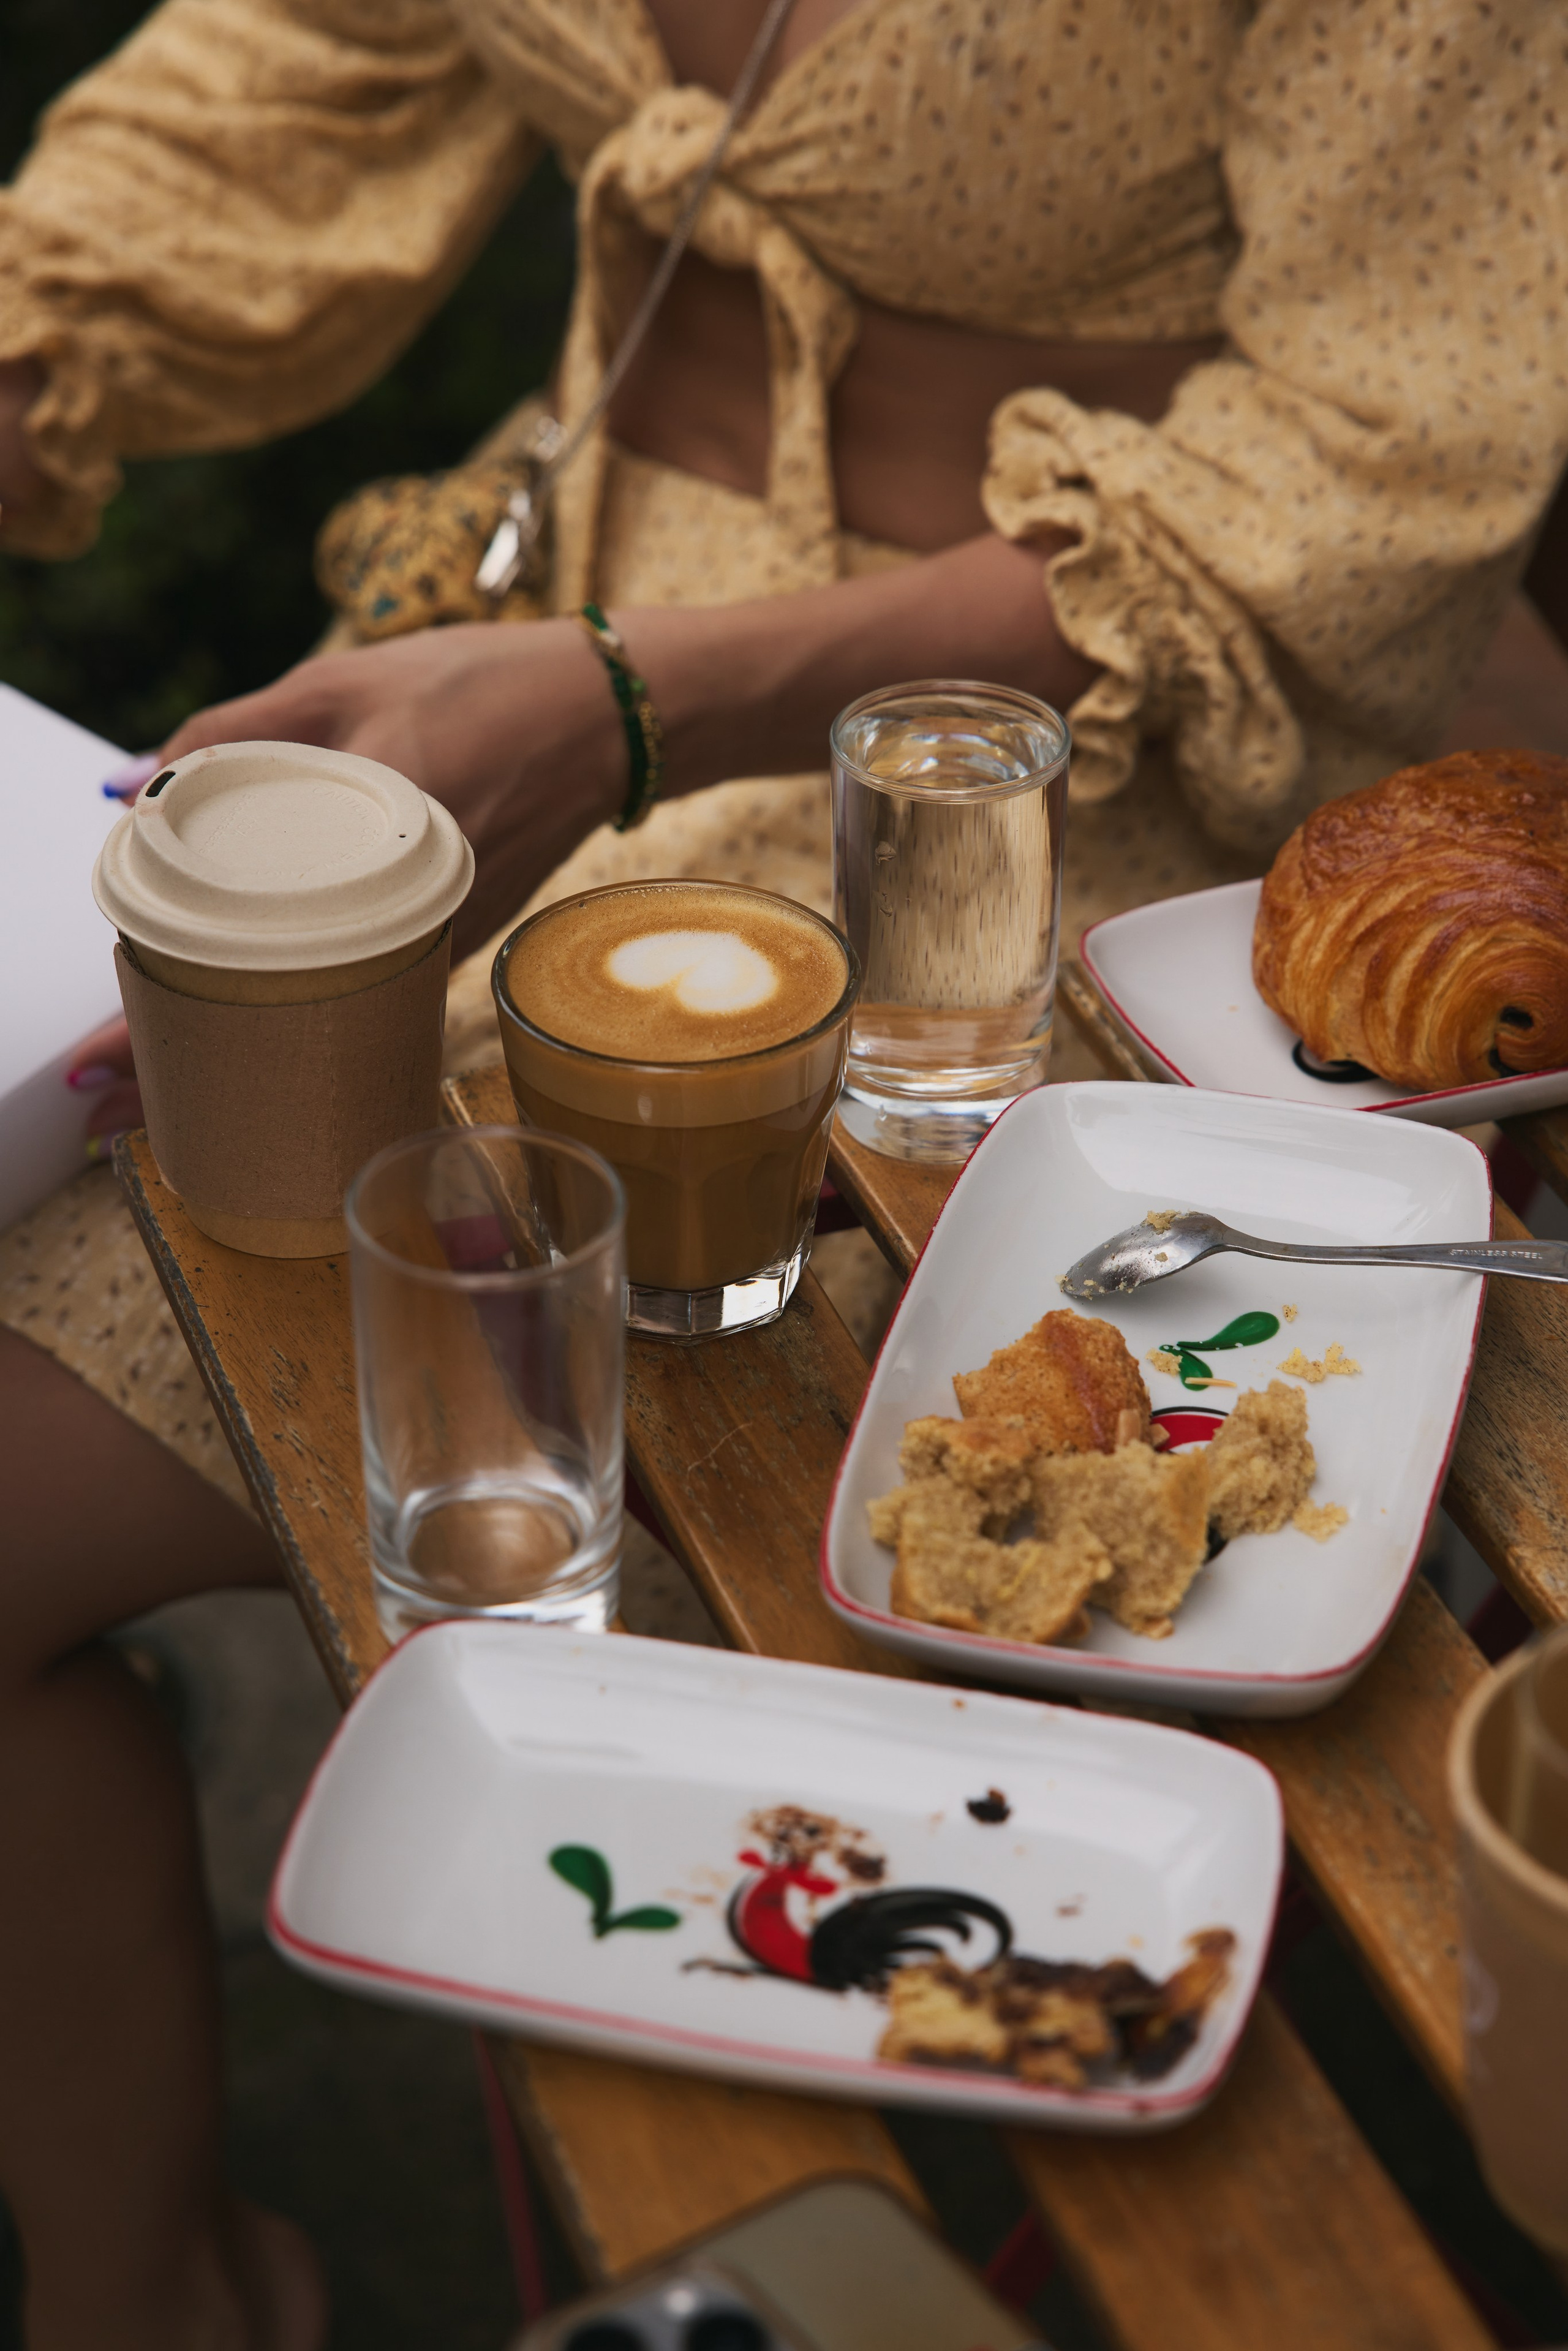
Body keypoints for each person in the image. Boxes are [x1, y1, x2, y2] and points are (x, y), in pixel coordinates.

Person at [0, 2, 1564, 2342]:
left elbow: (1350, 479)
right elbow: (290, 72)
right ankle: (157, 2291)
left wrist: (639, 699)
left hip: (1036, 808)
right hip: (514, 699)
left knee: (778, 1533)